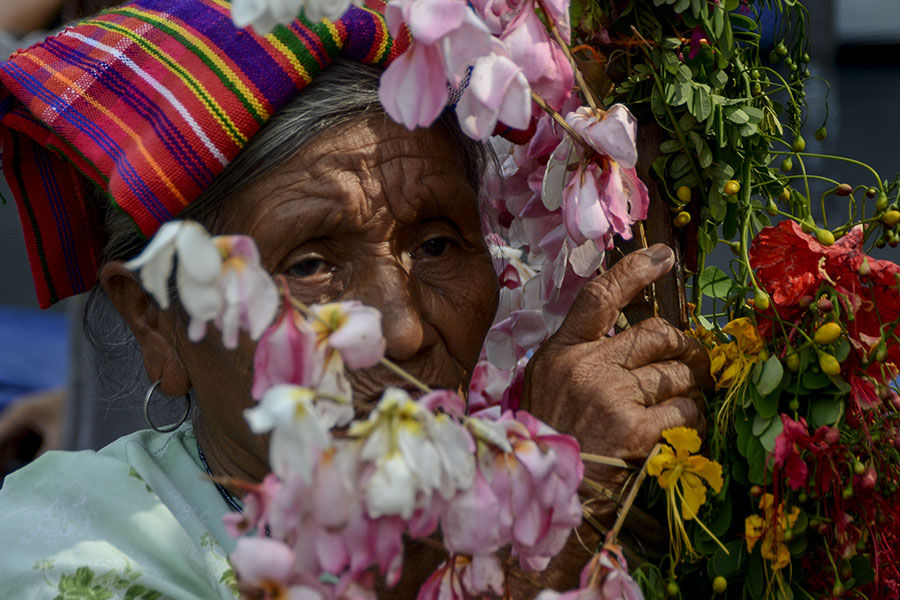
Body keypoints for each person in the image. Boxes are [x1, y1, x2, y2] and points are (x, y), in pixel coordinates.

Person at [0, 1, 710, 597]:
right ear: (155, 321)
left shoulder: (523, 468)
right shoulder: (66, 545)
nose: (401, 332)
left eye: (437, 245)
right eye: (309, 266)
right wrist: (553, 522)